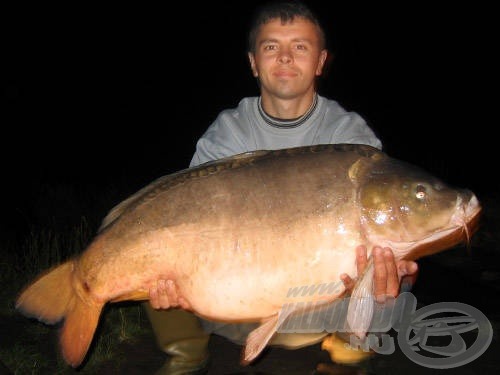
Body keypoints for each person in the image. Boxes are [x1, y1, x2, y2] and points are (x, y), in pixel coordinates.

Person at [145, 1, 418, 374]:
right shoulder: (227, 133)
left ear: (320, 61)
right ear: (254, 62)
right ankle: (186, 357)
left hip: (319, 304)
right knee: (155, 254)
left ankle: (343, 358)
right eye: (272, 46)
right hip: (233, 299)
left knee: (389, 281)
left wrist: (396, 276)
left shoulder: (351, 140)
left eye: (300, 47)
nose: (286, 58)